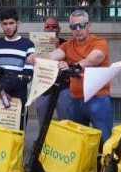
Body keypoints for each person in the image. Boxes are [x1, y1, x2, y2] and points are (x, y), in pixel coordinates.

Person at [40, 9, 113, 143]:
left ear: (89, 26)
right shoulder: (67, 45)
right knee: (79, 142)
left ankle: (105, 164)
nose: (78, 29)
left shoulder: (99, 41)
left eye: (81, 25)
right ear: (70, 28)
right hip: (75, 100)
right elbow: (53, 55)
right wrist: (37, 58)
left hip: (98, 98)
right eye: (74, 26)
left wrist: (74, 67)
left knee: (105, 141)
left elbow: (94, 58)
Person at [0, 7, 35, 129]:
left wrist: (5, 89)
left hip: (18, 94)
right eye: (5, 24)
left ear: (18, 23)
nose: (8, 27)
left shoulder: (28, 45)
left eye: (11, 23)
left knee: (17, 131)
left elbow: (28, 74)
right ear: (1, 25)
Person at [34, 15, 71, 121]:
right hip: (44, 86)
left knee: (65, 120)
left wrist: (57, 46)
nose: (51, 29)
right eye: (48, 26)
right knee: (43, 120)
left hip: (63, 86)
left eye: (53, 26)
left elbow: (70, 63)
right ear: (44, 28)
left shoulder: (66, 44)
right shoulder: (36, 44)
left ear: (58, 29)